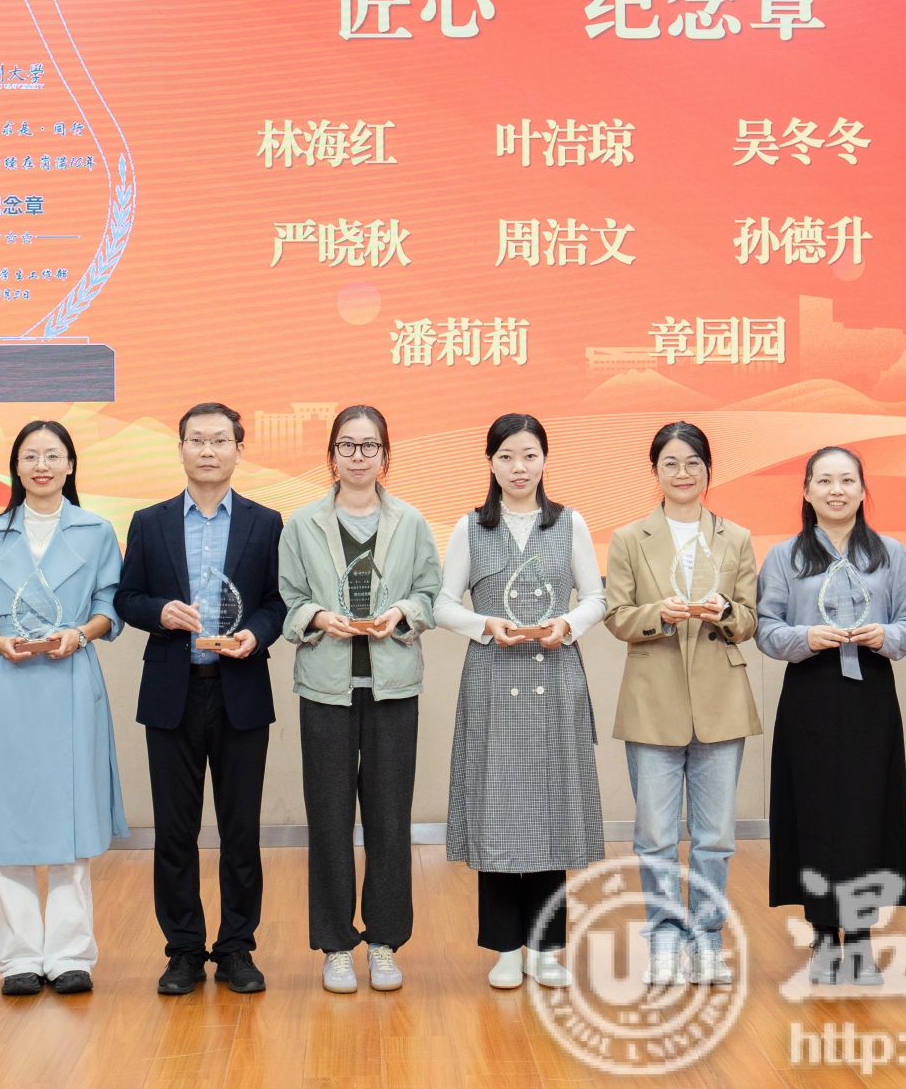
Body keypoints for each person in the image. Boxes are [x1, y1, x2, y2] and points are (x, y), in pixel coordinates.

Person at [114, 403, 286, 997]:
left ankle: (237, 948)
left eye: (219, 440)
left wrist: (256, 633)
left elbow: (278, 602)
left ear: (239, 449)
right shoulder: (150, 522)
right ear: (181, 449)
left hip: (240, 691)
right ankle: (183, 951)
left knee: (240, 831)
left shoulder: (267, 523)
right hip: (173, 692)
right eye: (196, 440)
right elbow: (127, 598)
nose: (207, 450)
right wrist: (158, 612)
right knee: (174, 832)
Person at [0, 420, 125, 997]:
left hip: (70, 681)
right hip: (8, 684)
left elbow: (110, 607)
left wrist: (80, 633)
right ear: (16, 466)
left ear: (71, 465)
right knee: (9, 821)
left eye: (53, 455)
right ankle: (19, 958)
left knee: (72, 819)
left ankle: (71, 955)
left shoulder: (96, 530)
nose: (42, 466)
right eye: (31, 456)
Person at [435, 412, 605, 990]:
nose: (519, 467)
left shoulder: (569, 522)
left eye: (529, 455)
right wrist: (485, 625)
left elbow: (597, 597)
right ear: (490, 462)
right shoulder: (471, 527)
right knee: (497, 812)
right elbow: (442, 604)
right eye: (506, 456)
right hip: (493, 679)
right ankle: (506, 948)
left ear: (545, 460)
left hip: (555, 677)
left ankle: (547, 948)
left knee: (551, 811)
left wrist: (568, 624)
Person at [278, 405, 442, 994]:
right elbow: (288, 598)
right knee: (328, 819)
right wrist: (318, 616)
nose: (358, 456)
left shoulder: (411, 521)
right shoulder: (302, 523)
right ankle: (336, 946)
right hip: (326, 688)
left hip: (393, 687)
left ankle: (384, 942)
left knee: (389, 820)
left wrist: (402, 612)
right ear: (331, 455)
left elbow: (430, 592)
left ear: (385, 455)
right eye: (347, 445)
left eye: (369, 446)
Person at [755, 445, 906, 986]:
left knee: (867, 813)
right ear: (806, 491)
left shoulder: (892, 553)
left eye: (847, 480)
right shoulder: (784, 556)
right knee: (813, 813)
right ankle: (825, 936)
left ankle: (863, 939)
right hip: (809, 693)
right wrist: (805, 637)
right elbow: (766, 628)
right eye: (824, 480)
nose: (836, 490)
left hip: (871, 696)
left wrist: (885, 635)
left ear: (862, 490)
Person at [602, 421, 760, 988]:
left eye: (693, 462)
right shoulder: (629, 538)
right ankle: (665, 938)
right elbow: (617, 617)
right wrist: (658, 615)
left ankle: (707, 939)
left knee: (715, 837)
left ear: (709, 471)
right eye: (670, 463)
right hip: (653, 700)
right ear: (655, 472)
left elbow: (750, 619)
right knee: (656, 837)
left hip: (720, 701)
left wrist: (725, 612)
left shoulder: (735, 537)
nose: (683, 472)